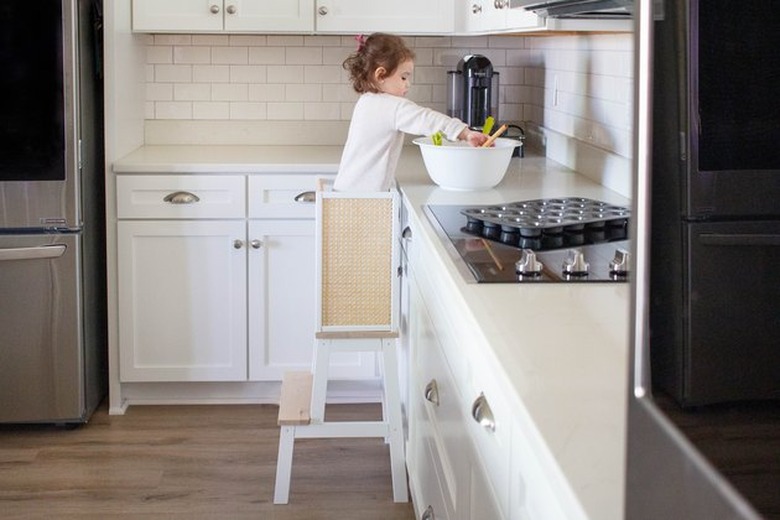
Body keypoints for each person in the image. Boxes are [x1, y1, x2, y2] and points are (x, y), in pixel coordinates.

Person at [333, 33, 489, 192]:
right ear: (380, 75)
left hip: (345, 189)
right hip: (366, 196)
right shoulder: (392, 106)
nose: (408, 84)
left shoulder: (366, 101)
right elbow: (427, 119)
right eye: (403, 77)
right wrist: (464, 133)